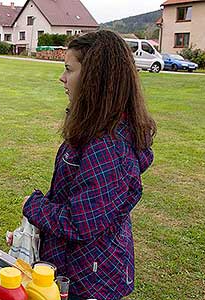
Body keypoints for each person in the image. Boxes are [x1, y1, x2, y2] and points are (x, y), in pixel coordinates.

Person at [22, 30, 156, 300]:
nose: (62, 78)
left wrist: (33, 205)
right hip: (81, 268)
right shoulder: (97, 130)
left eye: (69, 70)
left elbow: (80, 223)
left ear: (95, 78)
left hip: (89, 279)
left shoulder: (107, 145)